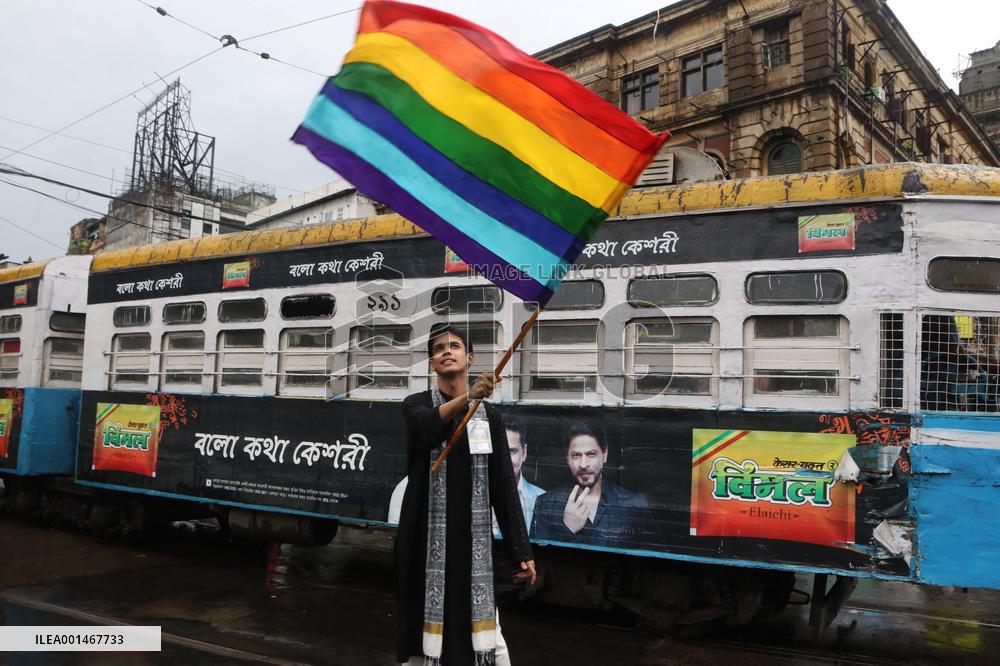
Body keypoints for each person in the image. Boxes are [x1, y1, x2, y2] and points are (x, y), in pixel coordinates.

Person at [396, 324, 535, 666]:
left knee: (487, 639)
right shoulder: (416, 405)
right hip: (424, 541)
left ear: (469, 358)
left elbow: (502, 485)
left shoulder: (491, 417)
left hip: (472, 546)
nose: (446, 351)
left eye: (454, 345)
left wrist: (521, 550)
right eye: (438, 348)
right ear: (432, 364)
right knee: (421, 635)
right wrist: (469, 397)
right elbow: (427, 429)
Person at [530, 422, 649, 549]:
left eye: (591, 454)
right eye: (576, 455)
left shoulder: (634, 504)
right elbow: (540, 560)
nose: (583, 464)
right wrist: (568, 530)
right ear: (567, 459)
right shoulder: (546, 504)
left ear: (604, 455)